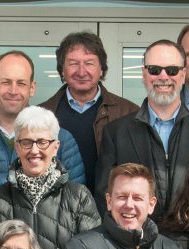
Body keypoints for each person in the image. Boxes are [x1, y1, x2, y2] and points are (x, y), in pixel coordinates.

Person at [94, 40, 189, 224]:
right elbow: (105, 197)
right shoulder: (116, 133)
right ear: (143, 74)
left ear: (183, 74)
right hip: (135, 245)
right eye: (155, 69)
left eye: (172, 70)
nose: (163, 76)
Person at [0, 106, 101, 249]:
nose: (34, 150)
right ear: (17, 146)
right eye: (26, 142)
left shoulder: (79, 197)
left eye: (42, 142)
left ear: (55, 147)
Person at [0, 51, 86, 188]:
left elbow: (77, 203)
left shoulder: (61, 139)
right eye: (6, 82)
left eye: (21, 83)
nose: (13, 91)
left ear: (32, 88)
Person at [40, 32, 139, 192]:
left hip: (112, 209)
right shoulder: (42, 114)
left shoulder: (130, 112)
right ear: (62, 70)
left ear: (101, 69)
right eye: (73, 63)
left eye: (89, 63)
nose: (81, 71)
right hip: (57, 210)